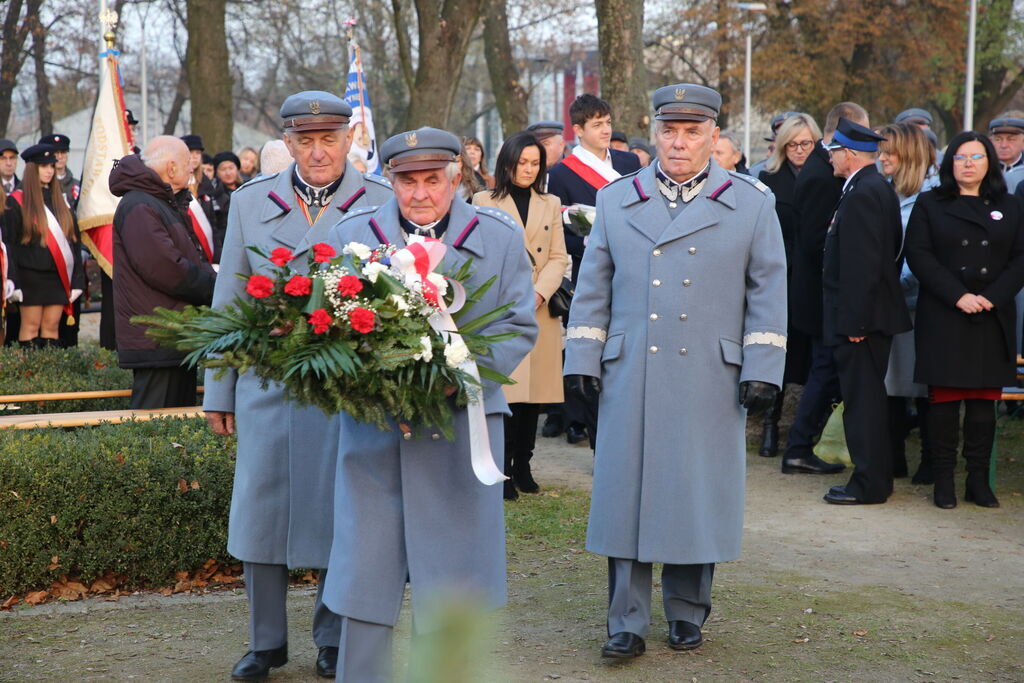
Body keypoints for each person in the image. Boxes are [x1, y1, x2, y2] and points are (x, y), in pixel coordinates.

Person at [564, 83, 787, 659]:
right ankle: (626, 621)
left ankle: (688, 611)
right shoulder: (617, 200)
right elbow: (592, 291)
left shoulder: (752, 203)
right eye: (669, 131)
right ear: (654, 132)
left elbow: (767, 291)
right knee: (624, 497)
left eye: (693, 132)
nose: (680, 143)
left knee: (695, 492)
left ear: (715, 136)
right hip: (632, 367)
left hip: (709, 372)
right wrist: (581, 360)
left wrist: (764, 364)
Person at [321, 127, 537, 682]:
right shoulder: (353, 236)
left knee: (454, 577)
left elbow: (516, 323)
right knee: (365, 574)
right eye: (406, 181)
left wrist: (460, 376)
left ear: (456, 177)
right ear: (389, 180)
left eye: (432, 180)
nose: (420, 193)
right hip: (376, 430)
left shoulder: (499, 235)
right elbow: (327, 329)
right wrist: (372, 375)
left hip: (462, 427)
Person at [202, 91, 393, 681]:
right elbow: (229, 298)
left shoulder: (381, 201)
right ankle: (266, 642)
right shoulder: (251, 202)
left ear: (349, 139)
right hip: (268, 383)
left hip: (346, 389)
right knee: (261, 514)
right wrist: (218, 390)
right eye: (304, 141)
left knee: (343, 513)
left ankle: (332, 636)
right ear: (287, 143)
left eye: (328, 140)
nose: (317, 152)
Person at [905, 131, 1024, 509]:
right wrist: (959, 295)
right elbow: (919, 255)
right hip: (946, 313)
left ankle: (978, 481)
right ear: (949, 163)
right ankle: (943, 480)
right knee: (943, 401)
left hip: (992, 313)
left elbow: (1021, 258)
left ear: (989, 162)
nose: (968, 163)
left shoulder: (1010, 204)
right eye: (960, 157)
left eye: (976, 157)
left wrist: (991, 297)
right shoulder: (929, 203)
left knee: (982, 403)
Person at [819, 118, 912, 505]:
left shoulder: (863, 192)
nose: (831, 159)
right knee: (866, 400)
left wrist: (856, 320)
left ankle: (869, 483)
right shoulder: (870, 187)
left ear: (850, 154)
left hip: (861, 321)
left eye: (834, 152)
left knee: (863, 403)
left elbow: (864, 263)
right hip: (868, 316)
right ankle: (875, 479)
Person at [474, 131, 569, 500]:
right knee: (506, 392)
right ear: (507, 163)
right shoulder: (482, 200)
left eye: (535, 163)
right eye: (521, 162)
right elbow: (479, 255)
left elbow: (558, 256)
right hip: (501, 309)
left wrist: (541, 291)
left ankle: (524, 464)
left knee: (534, 396)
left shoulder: (550, 202)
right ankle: (503, 465)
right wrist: (516, 295)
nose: (528, 170)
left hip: (540, 310)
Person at [547, 93, 641, 448]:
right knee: (591, 353)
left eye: (608, 123)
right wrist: (591, 239)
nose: (605, 130)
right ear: (579, 130)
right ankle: (598, 439)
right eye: (597, 124)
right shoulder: (559, 175)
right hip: (590, 272)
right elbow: (559, 234)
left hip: (633, 270)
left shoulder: (630, 162)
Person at [782, 102, 870, 476]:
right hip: (820, 295)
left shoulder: (820, 168)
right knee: (823, 370)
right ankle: (799, 447)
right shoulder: (822, 175)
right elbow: (817, 241)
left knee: (825, 369)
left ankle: (803, 444)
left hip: (822, 292)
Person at [109, 136, 215, 406]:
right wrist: (215, 286)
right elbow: (165, 269)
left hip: (173, 334)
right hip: (156, 337)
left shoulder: (159, 202)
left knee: (176, 432)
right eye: (187, 164)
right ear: (170, 168)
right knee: (154, 434)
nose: (193, 169)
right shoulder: (140, 205)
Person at [756, 113, 821, 457]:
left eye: (806, 143)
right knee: (777, 351)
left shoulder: (827, 177)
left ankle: (806, 432)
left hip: (811, 278)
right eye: (793, 144)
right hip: (779, 276)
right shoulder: (768, 180)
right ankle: (770, 425)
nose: (799, 150)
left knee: (810, 356)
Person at [877, 122, 938, 483]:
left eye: (889, 153)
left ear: (909, 156)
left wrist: (890, 284)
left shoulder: (933, 196)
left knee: (925, 385)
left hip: (921, 306)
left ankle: (930, 461)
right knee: (891, 385)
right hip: (891, 304)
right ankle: (894, 458)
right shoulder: (883, 191)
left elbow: (924, 255)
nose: (882, 159)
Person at [1, 144, 82, 348]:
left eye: (51, 166)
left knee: (52, 327)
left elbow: (74, 242)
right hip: (30, 277)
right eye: (43, 166)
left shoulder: (60, 200)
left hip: (56, 275)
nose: (49, 171)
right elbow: (9, 245)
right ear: (31, 169)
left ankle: (50, 377)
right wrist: (13, 281)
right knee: (30, 326)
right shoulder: (16, 202)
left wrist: (78, 280)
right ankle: (30, 377)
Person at [181, 135, 222, 264]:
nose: (194, 156)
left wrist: (217, 254)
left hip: (206, 245)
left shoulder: (205, 183)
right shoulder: (178, 181)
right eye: (190, 152)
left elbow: (212, 222)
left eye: (198, 153)